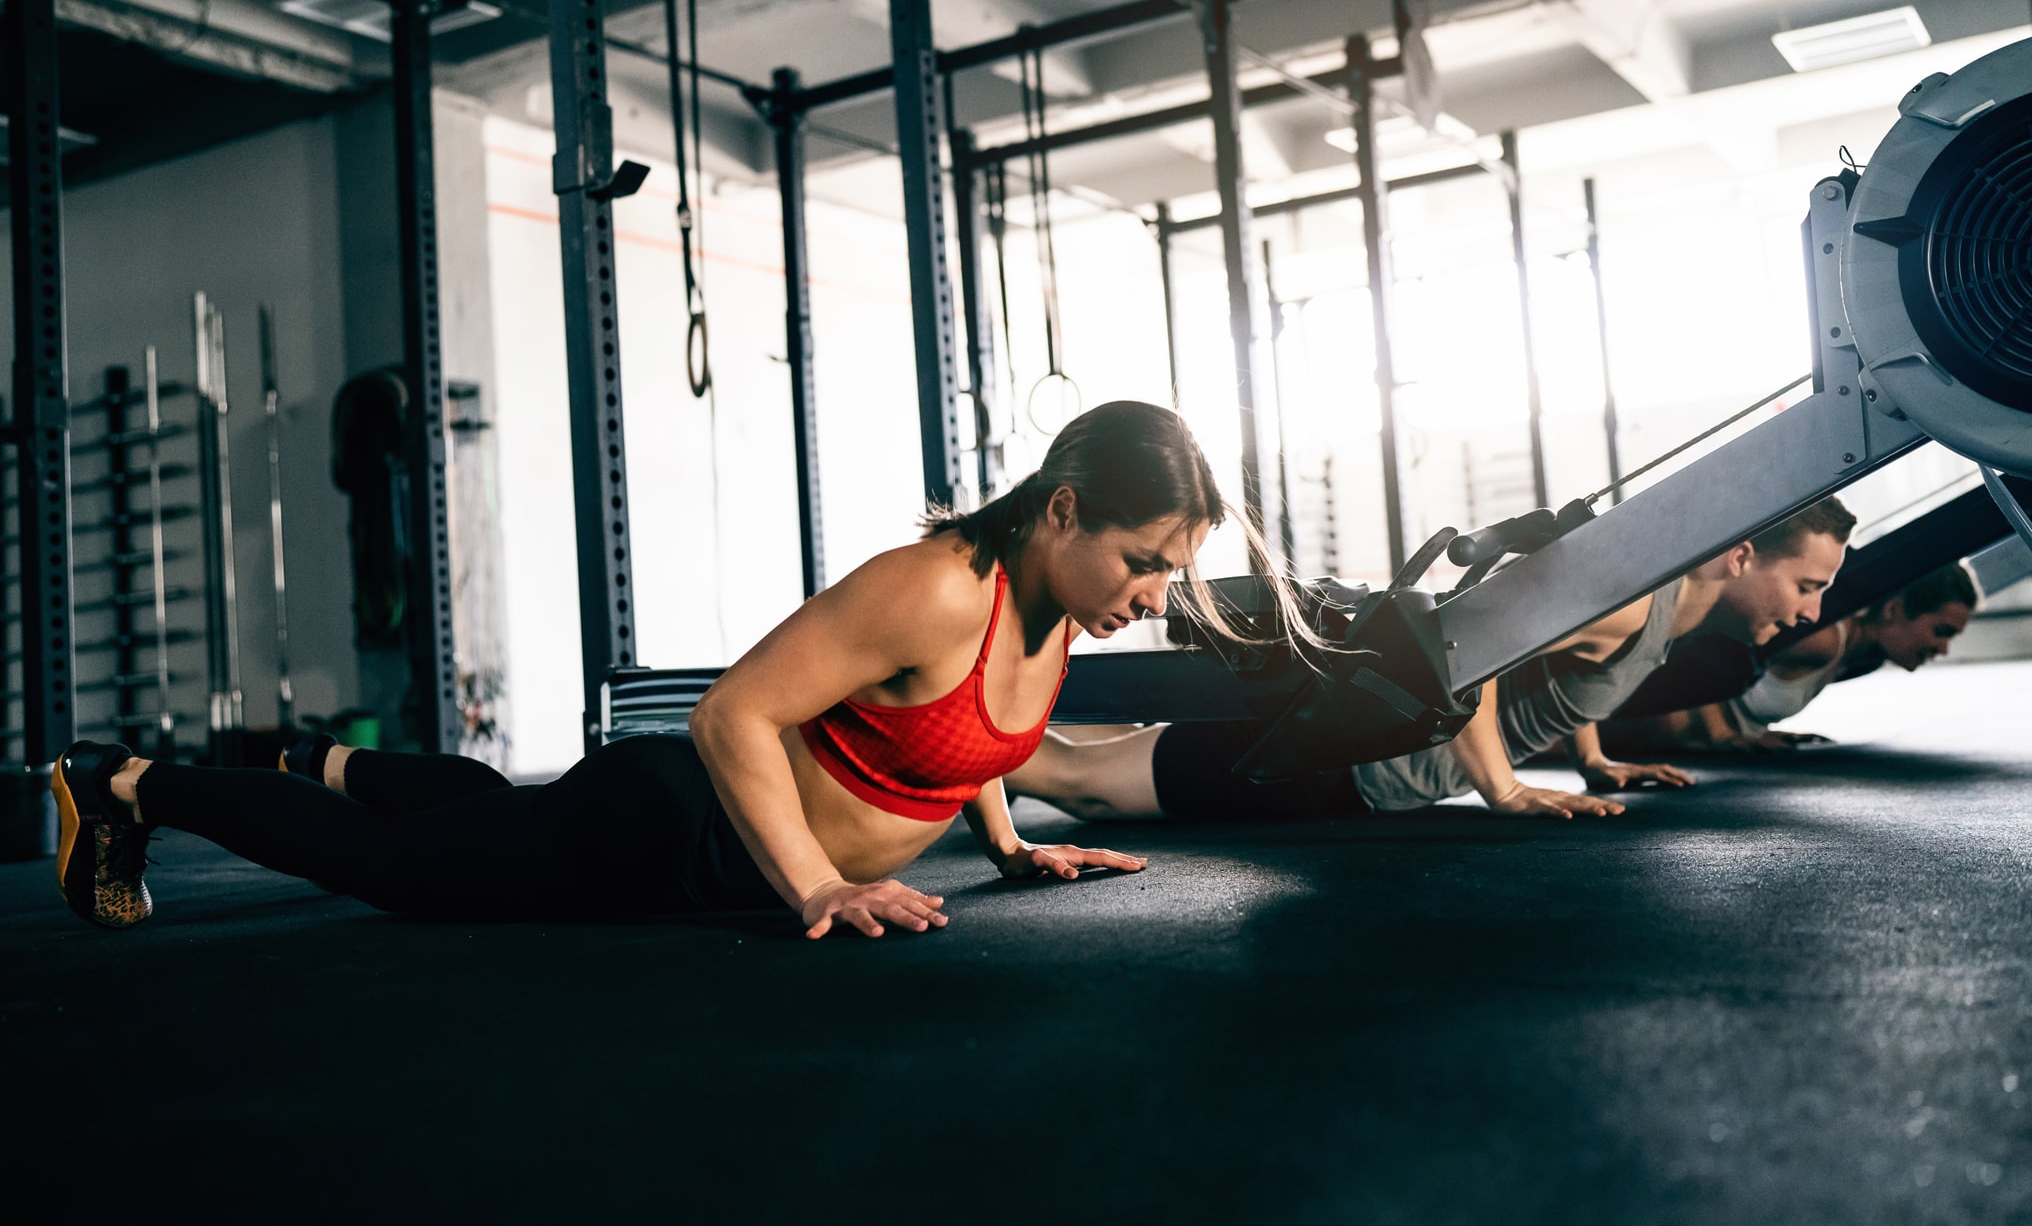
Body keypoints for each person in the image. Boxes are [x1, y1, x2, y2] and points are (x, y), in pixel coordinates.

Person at [51, 401, 1315, 940]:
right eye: (1145, 561)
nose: (1154, 595)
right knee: (396, 875)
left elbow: (959, 738)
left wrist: (1007, 848)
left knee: (488, 810)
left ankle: (315, 756)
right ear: (1064, 511)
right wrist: (820, 884)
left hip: (706, 860)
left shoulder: (1047, 624)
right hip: (669, 824)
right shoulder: (934, 585)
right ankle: (122, 788)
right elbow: (734, 715)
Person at [1008, 499, 1859, 824]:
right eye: (1809, 583)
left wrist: (1596, 760)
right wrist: (1504, 787)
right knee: (1073, 782)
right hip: (1357, 762)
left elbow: (1574, 682)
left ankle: (969, 742)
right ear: (1744, 556)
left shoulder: (1670, 608)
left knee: (1093, 756)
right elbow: (1467, 645)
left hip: (1370, 763)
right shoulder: (1640, 599)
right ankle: (929, 744)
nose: (1813, 612)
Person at [1598, 563, 1978, 753]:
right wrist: (1724, 734)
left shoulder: (1863, 659)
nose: (1942, 649)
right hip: (1659, 718)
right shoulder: (1824, 640)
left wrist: (1753, 732)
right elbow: (1703, 645)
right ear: (1894, 609)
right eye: (1940, 631)